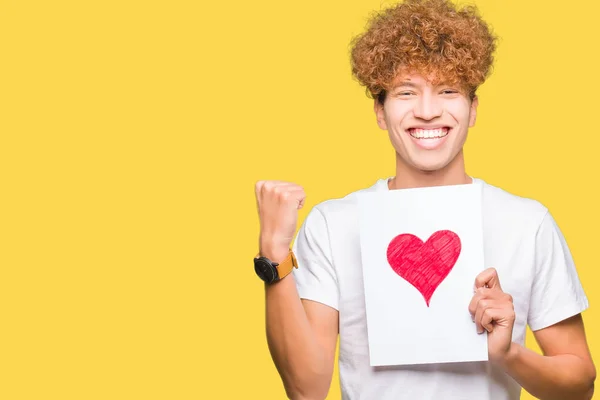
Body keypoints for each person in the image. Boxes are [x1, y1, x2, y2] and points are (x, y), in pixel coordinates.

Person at [252, 0, 596, 398]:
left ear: (473, 110)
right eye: (406, 92)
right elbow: (306, 389)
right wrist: (274, 253)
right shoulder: (334, 223)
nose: (428, 111)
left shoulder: (526, 222)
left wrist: (507, 354)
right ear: (380, 112)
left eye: (448, 90)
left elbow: (580, 386)